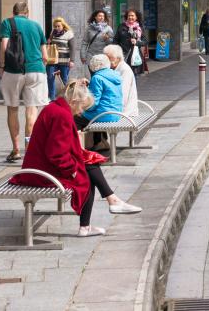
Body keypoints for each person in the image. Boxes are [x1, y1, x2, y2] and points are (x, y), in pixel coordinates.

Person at [10, 78, 141, 238]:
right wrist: (72, 171)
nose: (81, 112)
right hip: (41, 173)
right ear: (73, 101)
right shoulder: (61, 115)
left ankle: (109, 204)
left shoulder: (55, 108)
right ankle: (103, 210)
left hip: (39, 166)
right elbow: (56, 153)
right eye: (81, 107)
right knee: (85, 176)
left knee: (89, 166)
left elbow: (57, 150)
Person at [0, 2, 48, 163]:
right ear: (27, 12)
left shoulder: (7, 23)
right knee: (31, 111)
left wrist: (1, 66)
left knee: (12, 109)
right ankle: (29, 150)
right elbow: (45, 56)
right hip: (36, 70)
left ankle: (15, 149)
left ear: (14, 12)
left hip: (14, 70)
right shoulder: (36, 25)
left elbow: (4, 46)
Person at [77, 54, 123, 152]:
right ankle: (100, 142)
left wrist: (82, 108)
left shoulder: (97, 78)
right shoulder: (114, 75)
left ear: (94, 65)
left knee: (76, 117)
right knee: (96, 113)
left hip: (105, 115)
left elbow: (93, 103)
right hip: (116, 113)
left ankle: (78, 147)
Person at [104, 44, 138, 118]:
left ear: (118, 58)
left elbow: (123, 94)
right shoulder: (111, 69)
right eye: (106, 58)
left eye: (110, 58)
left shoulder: (124, 70)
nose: (107, 61)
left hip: (124, 111)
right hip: (114, 108)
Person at [46, 17, 75, 101]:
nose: (57, 28)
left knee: (64, 79)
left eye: (58, 26)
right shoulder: (53, 33)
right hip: (52, 60)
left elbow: (72, 48)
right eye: (55, 26)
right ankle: (52, 98)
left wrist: (72, 60)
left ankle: (66, 98)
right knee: (50, 78)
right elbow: (49, 43)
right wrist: (49, 41)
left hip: (64, 61)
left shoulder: (69, 34)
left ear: (63, 25)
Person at [115, 9, 147, 80]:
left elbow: (145, 41)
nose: (130, 17)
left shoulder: (140, 27)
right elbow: (116, 40)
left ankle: (132, 91)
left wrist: (137, 42)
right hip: (123, 55)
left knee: (133, 77)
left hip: (134, 55)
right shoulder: (121, 26)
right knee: (122, 76)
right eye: (129, 15)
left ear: (136, 17)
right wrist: (116, 52)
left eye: (132, 16)